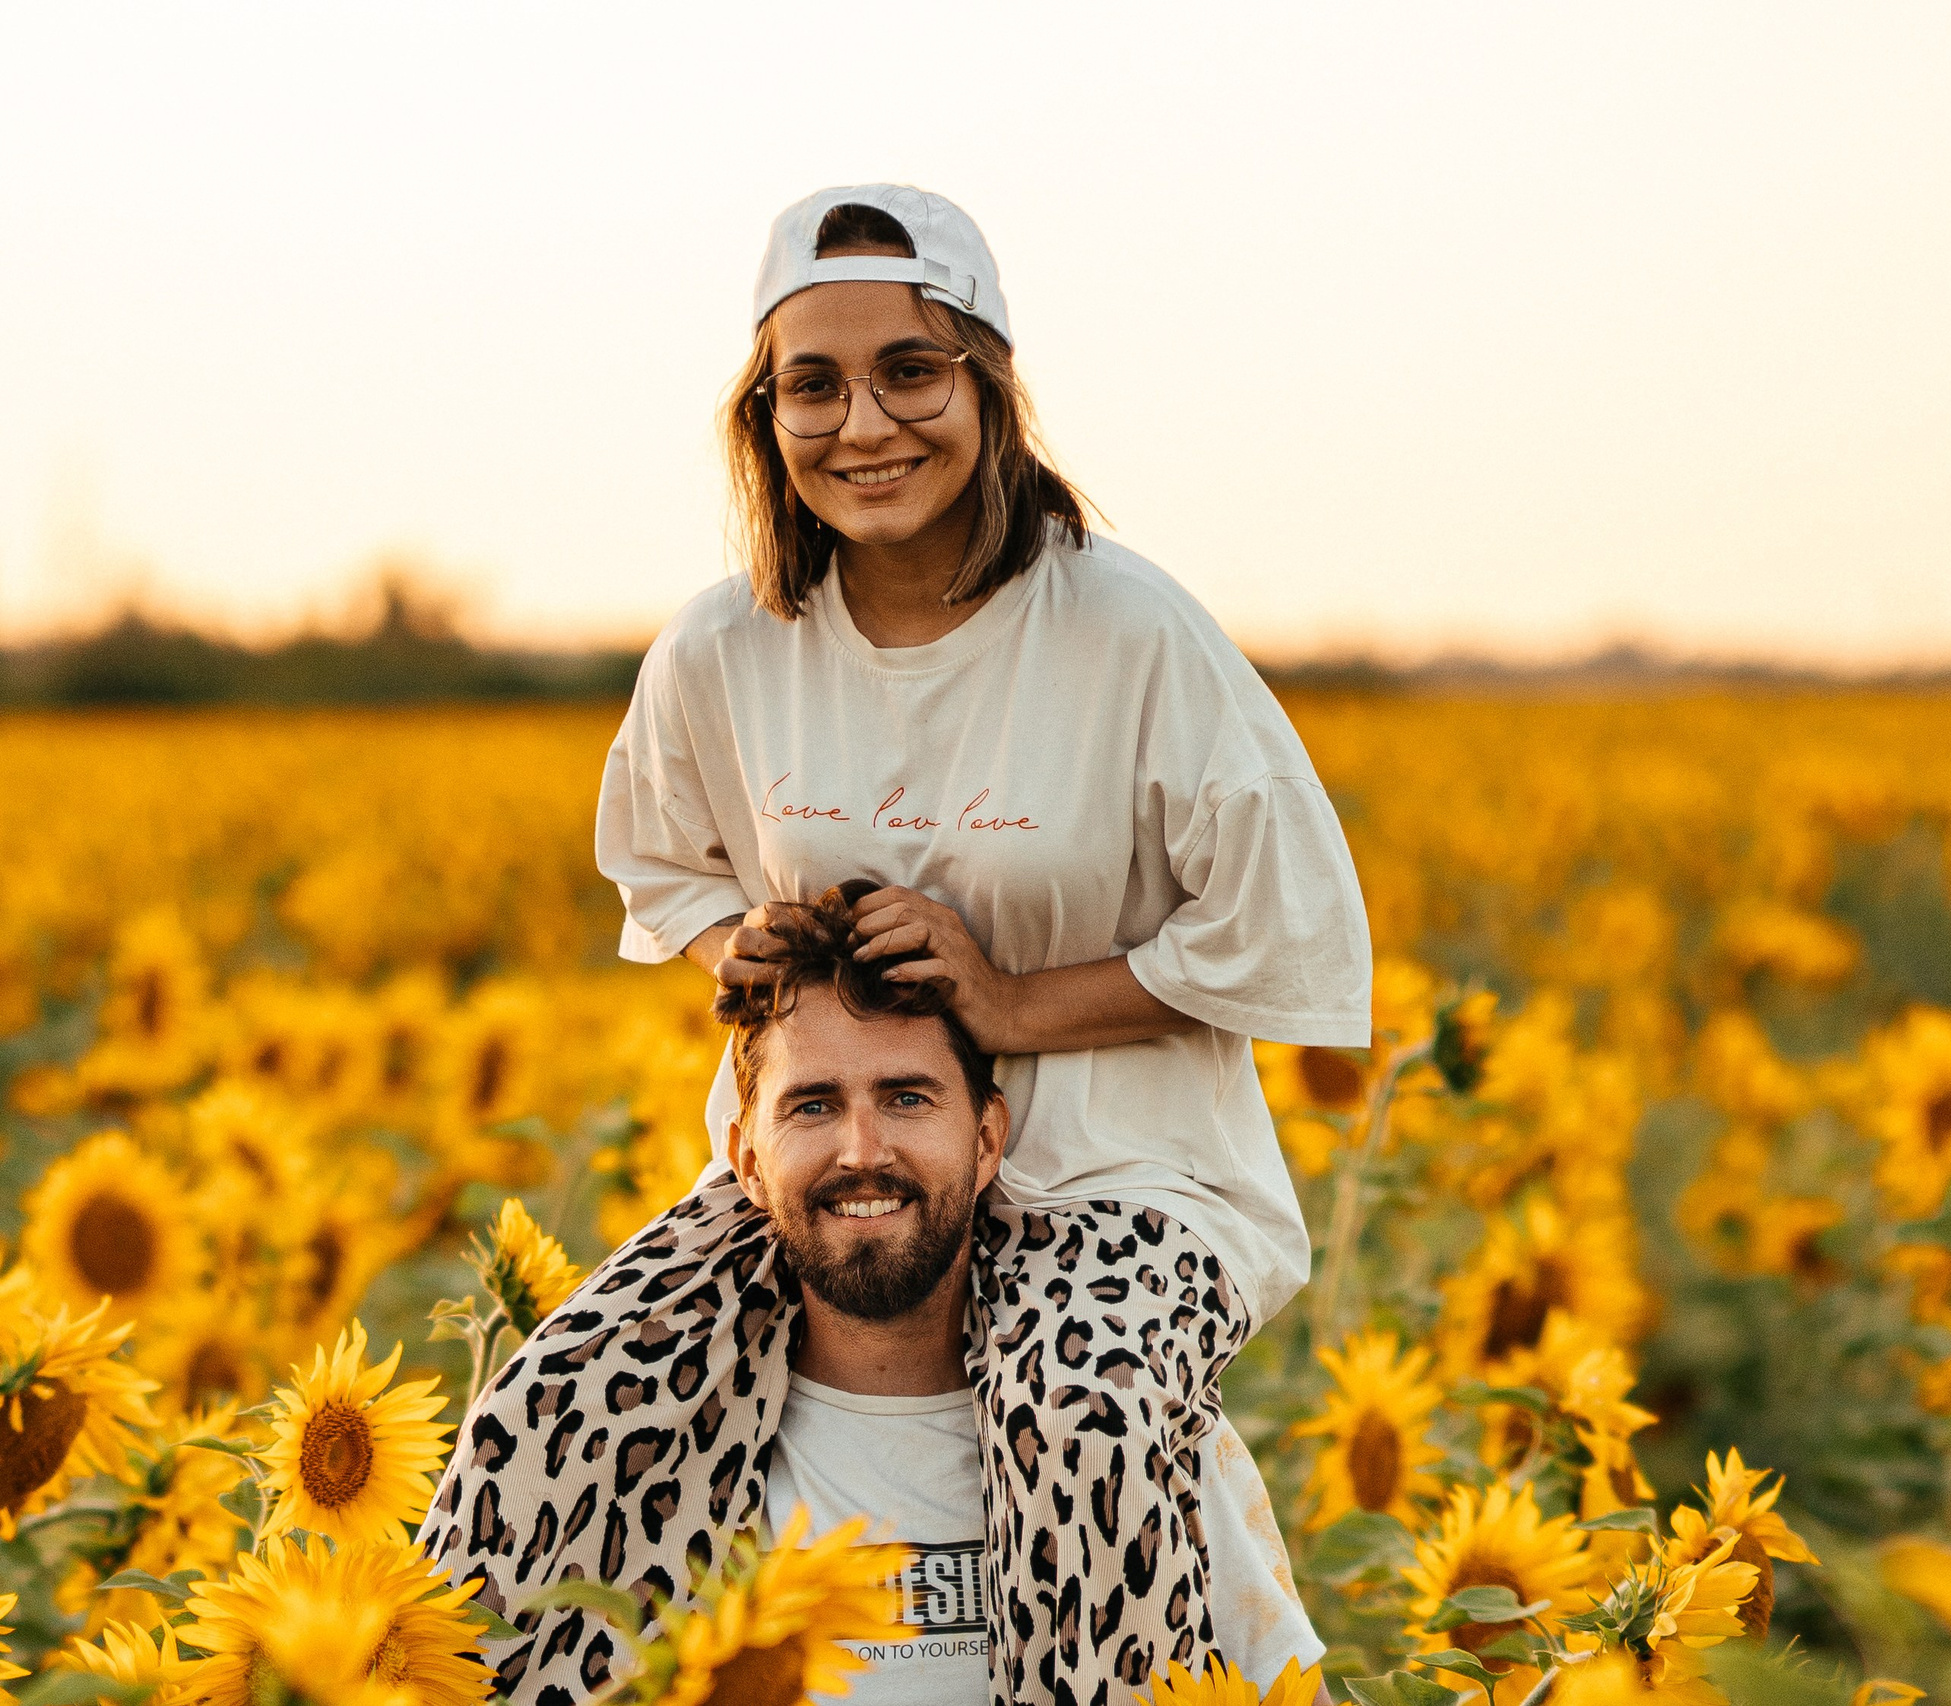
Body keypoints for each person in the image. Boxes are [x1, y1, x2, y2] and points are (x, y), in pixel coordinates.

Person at [420, 186, 1371, 1706]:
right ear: (765, 411)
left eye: (911, 371)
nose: (864, 421)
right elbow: (660, 866)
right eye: (814, 382)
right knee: (562, 1406)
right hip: (842, 1170)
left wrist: (1005, 1000)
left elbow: (1291, 933)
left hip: (1125, 1182)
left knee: (1088, 1421)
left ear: (989, 385)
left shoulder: (1124, 631)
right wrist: (749, 947)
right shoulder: (726, 648)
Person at [727, 893, 1324, 1703]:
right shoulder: (689, 1460)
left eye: (907, 1098)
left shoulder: (1131, 1430)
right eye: (813, 1105)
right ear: (747, 1160)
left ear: (985, 1142)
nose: (862, 1151)